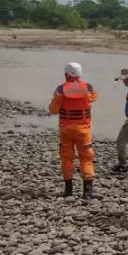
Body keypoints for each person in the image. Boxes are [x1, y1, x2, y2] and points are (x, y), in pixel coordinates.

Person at [49, 62, 99, 199]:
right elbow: (94, 98)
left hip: (65, 129)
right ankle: (88, 192)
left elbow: (53, 110)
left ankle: (68, 190)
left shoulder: (60, 89)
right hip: (83, 129)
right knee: (86, 158)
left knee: (67, 159)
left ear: (67, 74)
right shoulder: (88, 88)